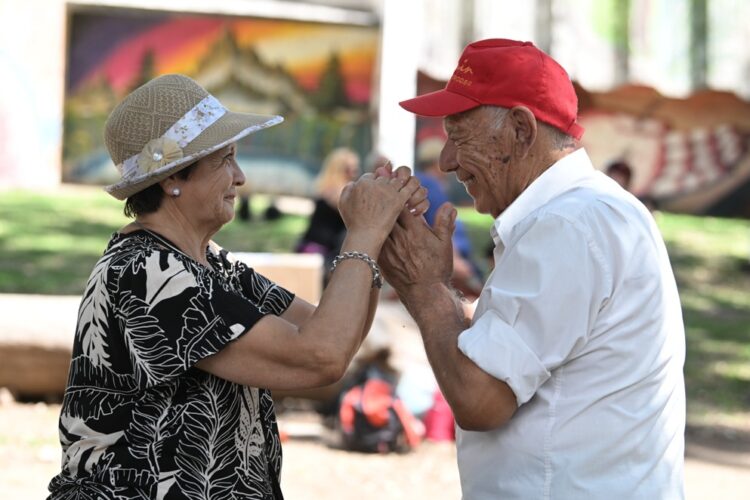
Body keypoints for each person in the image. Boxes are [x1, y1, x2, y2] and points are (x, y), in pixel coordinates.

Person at [47, 74, 427, 499]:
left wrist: (376, 238)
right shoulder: (148, 272)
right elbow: (321, 357)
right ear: (173, 178)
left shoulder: (210, 263)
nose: (240, 176)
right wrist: (363, 235)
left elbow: (336, 335)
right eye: (225, 160)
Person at [378, 39, 686, 498]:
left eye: (458, 136)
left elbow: (479, 399)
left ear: (521, 129)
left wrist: (423, 286)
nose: (447, 160)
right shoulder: (583, 214)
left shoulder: (568, 224)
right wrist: (438, 286)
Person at [415, 136, 483, 299]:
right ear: (435, 164)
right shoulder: (430, 185)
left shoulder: (418, 182)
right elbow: (443, 225)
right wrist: (457, 263)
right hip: (450, 268)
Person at [296, 147, 361, 281]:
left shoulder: (327, 188)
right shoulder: (335, 192)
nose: (354, 172)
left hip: (323, 248)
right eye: (349, 168)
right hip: (323, 251)